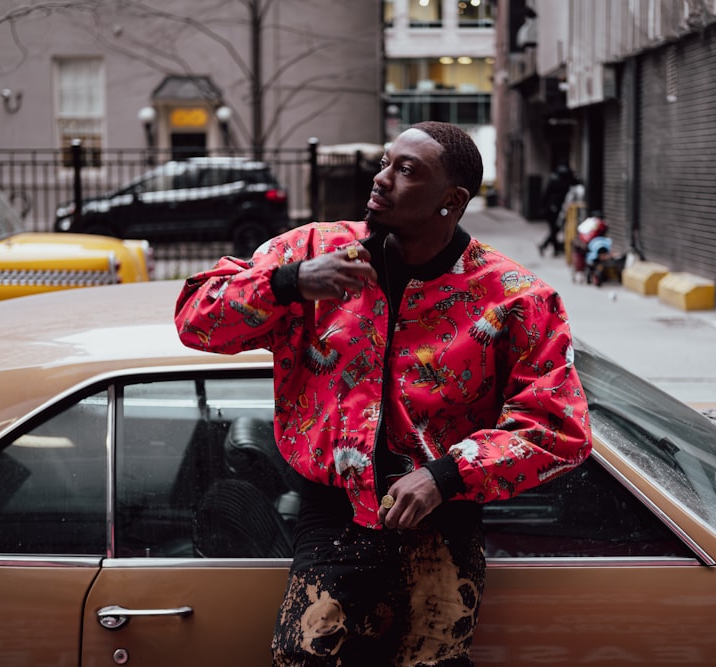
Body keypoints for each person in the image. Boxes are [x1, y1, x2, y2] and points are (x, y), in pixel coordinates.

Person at [175, 121, 591, 666]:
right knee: (301, 657)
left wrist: (447, 475)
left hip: (444, 517)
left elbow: (559, 427)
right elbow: (195, 319)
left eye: (406, 169)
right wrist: (290, 282)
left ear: (452, 200)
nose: (382, 178)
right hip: (335, 510)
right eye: (385, 162)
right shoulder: (317, 251)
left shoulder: (514, 298)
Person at [537, 164, 578, 258]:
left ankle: (548, 247)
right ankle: (548, 247)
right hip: (553, 209)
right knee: (554, 229)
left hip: (557, 209)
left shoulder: (559, 180)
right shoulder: (557, 181)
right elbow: (546, 195)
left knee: (555, 229)